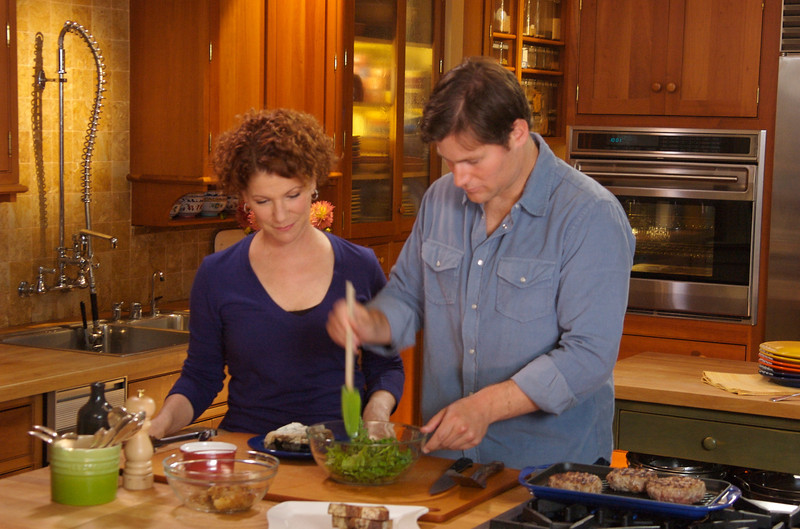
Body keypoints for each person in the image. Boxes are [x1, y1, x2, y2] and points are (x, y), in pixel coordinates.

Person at [326, 57, 635, 469]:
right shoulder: (439, 200)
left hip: (550, 472)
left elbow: (588, 355)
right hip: (447, 461)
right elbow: (407, 295)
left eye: (472, 161)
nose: (458, 178)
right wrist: (373, 323)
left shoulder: (589, 215)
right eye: (449, 161)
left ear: (517, 133)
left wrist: (485, 407)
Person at [149, 108, 404, 439]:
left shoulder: (360, 266)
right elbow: (200, 376)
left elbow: (385, 366)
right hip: (248, 453)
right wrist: (159, 425)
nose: (281, 214)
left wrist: (376, 412)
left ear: (314, 182)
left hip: (338, 454)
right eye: (263, 200)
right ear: (244, 198)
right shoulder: (217, 275)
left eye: (292, 195)